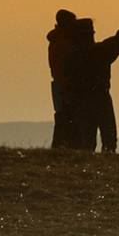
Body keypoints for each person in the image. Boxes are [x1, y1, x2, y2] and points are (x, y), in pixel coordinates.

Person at [67, 13, 119, 153]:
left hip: (80, 99)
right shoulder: (100, 52)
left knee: (86, 139)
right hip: (100, 97)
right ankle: (106, 164)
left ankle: (87, 166)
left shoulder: (72, 56)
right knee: (108, 137)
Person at [45, 9, 85, 149]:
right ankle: (66, 146)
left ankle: (60, 146)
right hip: (65, 86)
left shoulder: (57, 41)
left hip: (59, 84)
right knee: (68, 118)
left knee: (63, 117)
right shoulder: (64, 42)